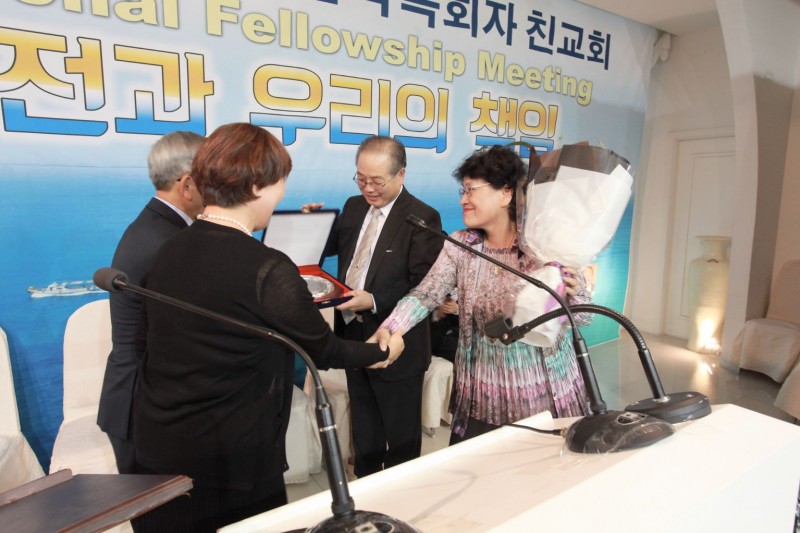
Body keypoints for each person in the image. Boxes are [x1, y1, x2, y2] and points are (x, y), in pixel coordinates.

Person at [131, 123, 404, 532]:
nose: (281, 194)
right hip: (229, 459)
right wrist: (382, 351)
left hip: (157, 450)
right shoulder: (268, 268)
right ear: (258, 186)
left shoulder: (168, 248)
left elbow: (144, 343)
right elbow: (324, 350)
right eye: (281, 182)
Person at [377, 145, 593, 445]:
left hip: (542, 398)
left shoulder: (544, 245)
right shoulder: (461, 245)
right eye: (462, 191)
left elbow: (582, 318)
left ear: (506, 194)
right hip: (480, 399)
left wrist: (576, 292)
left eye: (471, 190)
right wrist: (391, 327)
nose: (463, 200)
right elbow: (425, 295)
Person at [305, 135, 443, 477]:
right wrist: (313, 225)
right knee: (364, 424)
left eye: (377, 181)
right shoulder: (354, 206)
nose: (368, 188)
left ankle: (399, 492)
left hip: (398, 340)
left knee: (400, 432)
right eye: (361, 179)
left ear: (401, 174)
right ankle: (365, 484)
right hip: (353, 334)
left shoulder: (422, 217)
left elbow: (425, 285)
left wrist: (375, 300)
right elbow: (332, 247)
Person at [97, 130, 205, 474]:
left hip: (140, 397)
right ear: (187, 185)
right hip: (144, 407)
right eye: (212, 180)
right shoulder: (167, 242)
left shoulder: (154, 227)